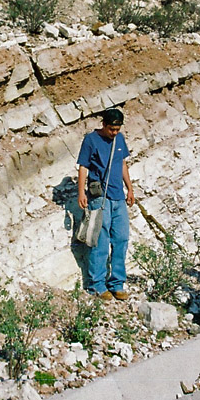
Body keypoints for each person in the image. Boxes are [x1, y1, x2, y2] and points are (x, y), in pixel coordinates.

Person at [77, 108, 135, 301]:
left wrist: (130, 189)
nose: (114, 133)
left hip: (118, 197)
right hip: (99, 197)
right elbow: (83, 166)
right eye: (111, 129)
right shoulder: (91, 140)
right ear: (104, 124)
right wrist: (81, 192)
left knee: (121, 240)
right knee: (100, 242)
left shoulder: (119, 139)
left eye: (117, 129)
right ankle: (97, 285)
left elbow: (123, 164)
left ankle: (117, 283)